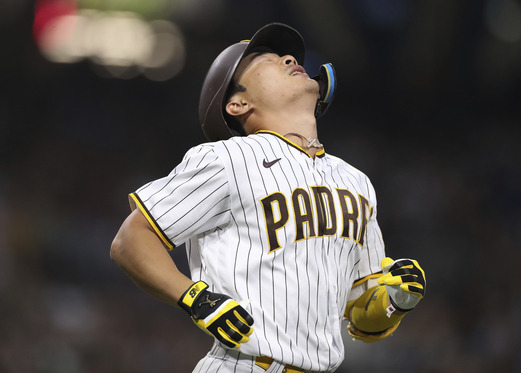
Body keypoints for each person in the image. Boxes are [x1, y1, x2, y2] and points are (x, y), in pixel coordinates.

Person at [110, 22, 426, 373]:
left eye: (286, 55)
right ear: (238, 103)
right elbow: (130, 239)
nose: (289, 58)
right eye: (266, 59)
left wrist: (396, 300)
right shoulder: (226, 158)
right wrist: (195, 298)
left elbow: (362, 316)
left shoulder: (356, 181)